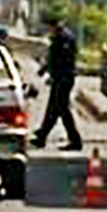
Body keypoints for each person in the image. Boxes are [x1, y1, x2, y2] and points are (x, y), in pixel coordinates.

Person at [30, 17, 83, 151]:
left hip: (64, 77)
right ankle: (42, 136)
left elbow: (62, 59)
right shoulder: (61, 37)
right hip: (60, 77)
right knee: (53, 108)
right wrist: (45, 70)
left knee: (62, 109)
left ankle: (75, 140)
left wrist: (50, 71)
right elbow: (53, 58)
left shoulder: (63, 38)